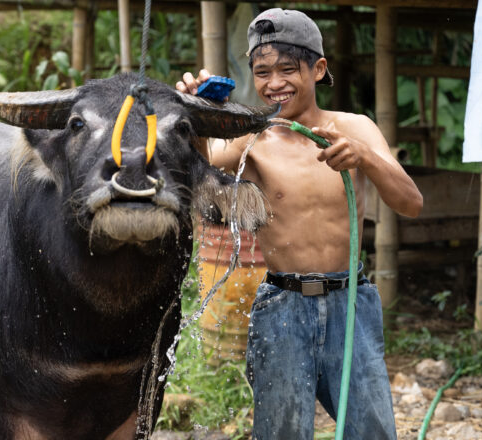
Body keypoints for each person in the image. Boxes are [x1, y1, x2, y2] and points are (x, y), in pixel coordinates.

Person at [177, 8, 423, 440]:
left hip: (351, 303)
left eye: (288, 69)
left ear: (319, 68)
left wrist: (363, 157)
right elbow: (201, 181)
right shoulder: (250, 139)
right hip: (283, 307)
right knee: (282, 433)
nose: (275, 83)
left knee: (372, 431)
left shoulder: (354, 128)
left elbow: (411, 203)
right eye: (263, 72)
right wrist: (197, 115)